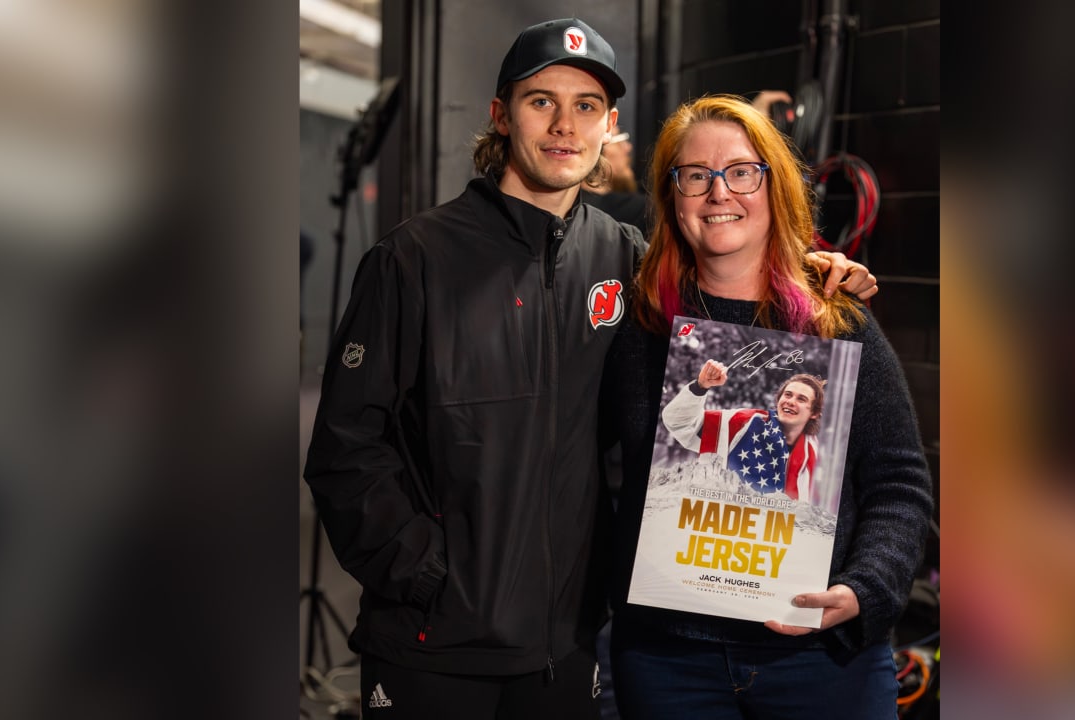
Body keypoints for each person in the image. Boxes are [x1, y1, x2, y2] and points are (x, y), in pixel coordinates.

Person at [305, 17, 879, 718]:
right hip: (433, 640)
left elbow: (727, 310)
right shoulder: (413, 258)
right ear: (501, 115)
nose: (563, 125)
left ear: (609, 124)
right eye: (541, 100)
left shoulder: (627, 257)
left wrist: (809, 275)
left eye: (586, 107)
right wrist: (423, 574)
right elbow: (345, 448)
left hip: (569, 641)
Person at [601, 94, 932, 719]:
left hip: (821, 661)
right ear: (673, 197)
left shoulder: (837, 323)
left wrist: (865, 589)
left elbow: (899, 484)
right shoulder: (640, 328)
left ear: (773, 186)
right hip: (667, 662)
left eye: (742, 172)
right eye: (695, 176)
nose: (718, 192)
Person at [663, 362, 825, 502]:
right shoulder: (743, 422)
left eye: (801, 399)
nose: (790, 401)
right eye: (788, 395)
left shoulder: (817, 455)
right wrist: (700, 387)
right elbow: (679, 423)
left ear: (814, 413)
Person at [581, 127, 648, 231]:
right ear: (599, 150)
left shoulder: (565, 209)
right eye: (619, 141)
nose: (628, 147)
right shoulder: (642, 211)